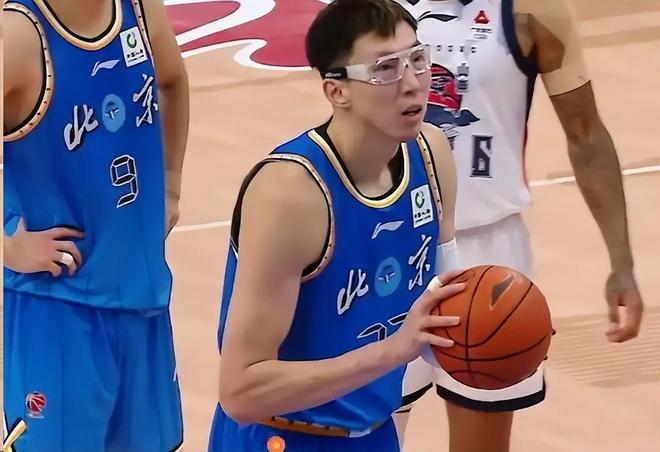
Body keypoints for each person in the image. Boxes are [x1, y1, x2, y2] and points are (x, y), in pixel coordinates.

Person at [208, 0, 467, 450]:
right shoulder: (291, 194)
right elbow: (241, 392)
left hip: (375, 433)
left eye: (417, 59)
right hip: (280, 436)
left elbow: (451, 299)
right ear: (337, 91)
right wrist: (393, 351)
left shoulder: (431, 154)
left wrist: (504, 330)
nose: (412, 83)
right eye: (386, 69)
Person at [392, 1, 645, 451]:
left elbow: (586, 135)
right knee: (366, 433)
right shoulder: (375, 10)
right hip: (393, 243)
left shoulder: (533, 9)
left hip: (489, 252)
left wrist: (621, 262)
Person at [3, 0, 189, 450]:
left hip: (143, 296)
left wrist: (170, 185)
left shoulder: (139, 7)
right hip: (59, 309)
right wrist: (5, 246)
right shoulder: (21, 34)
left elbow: (172, 81)